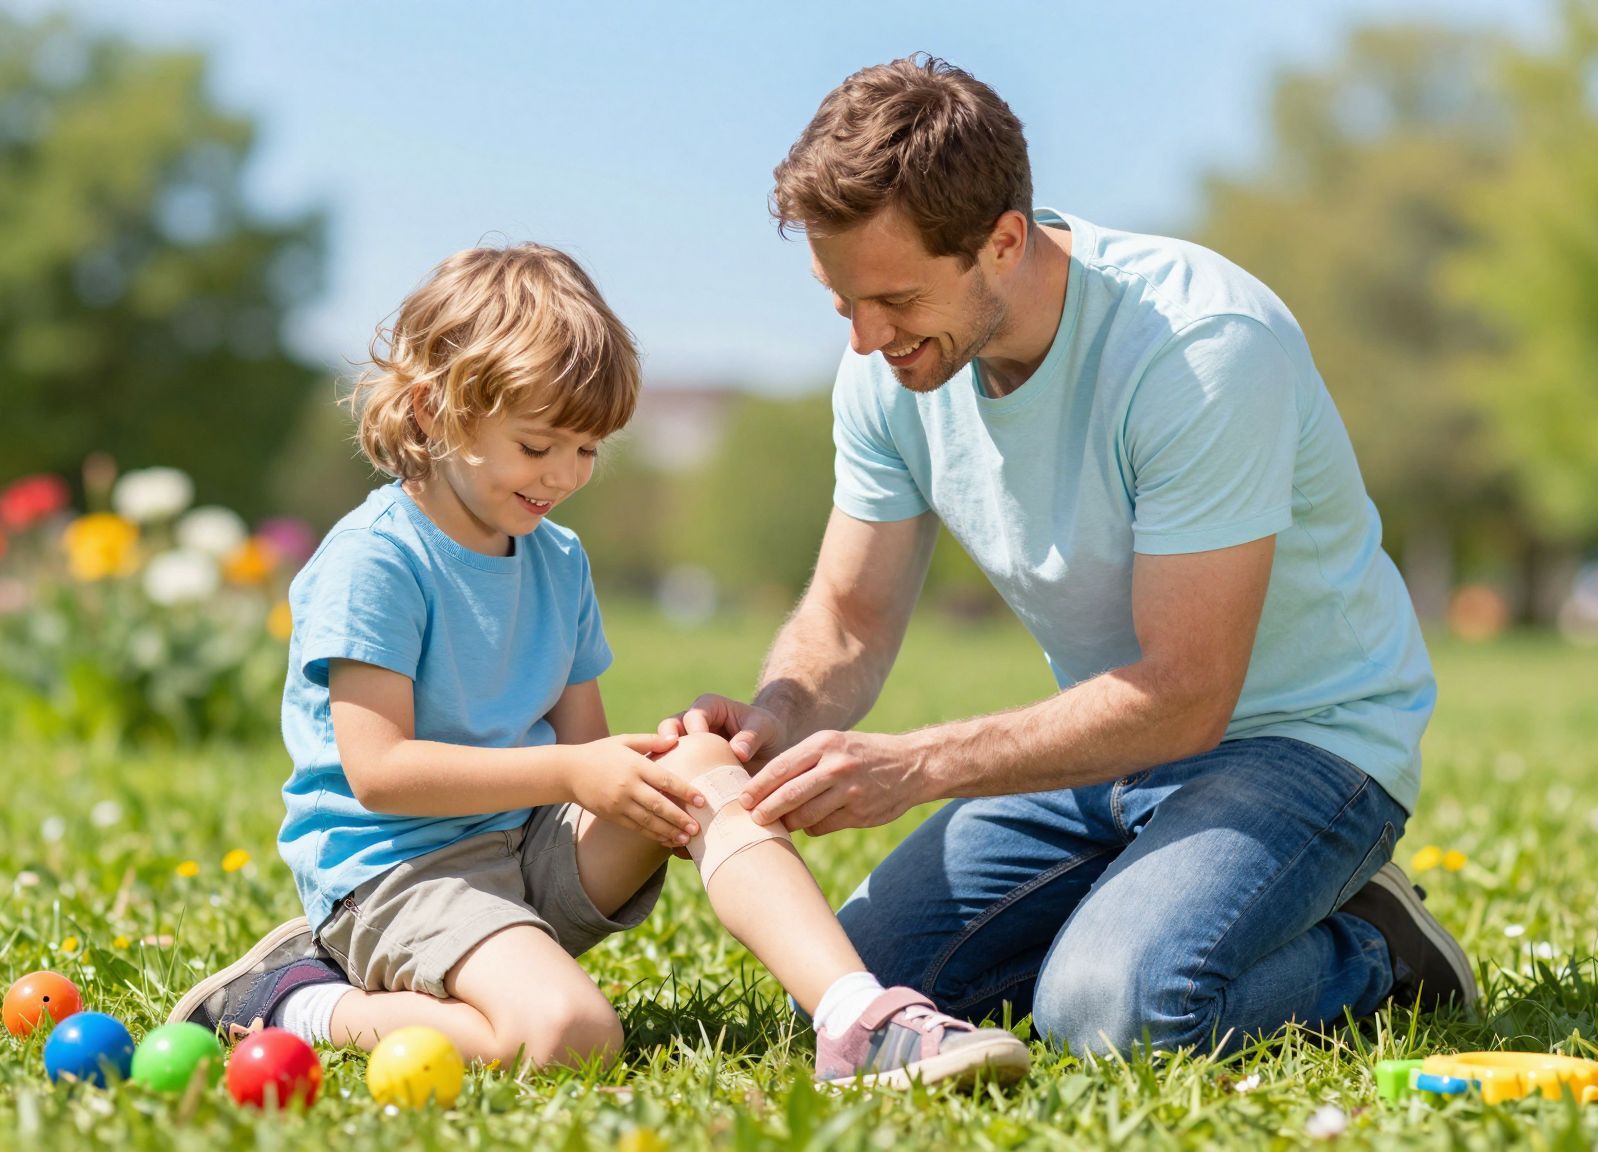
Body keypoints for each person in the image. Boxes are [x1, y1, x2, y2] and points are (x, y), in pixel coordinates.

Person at [668, 56, 1476, 1057]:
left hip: (1301, 746)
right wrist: (774, 717)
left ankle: (1375, 954)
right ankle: (1144, 898)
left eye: (894, 299)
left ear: (1003, 241)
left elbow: (1188, 691)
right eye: (843, 305)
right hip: (1100, 746)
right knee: (846, 985)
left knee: (1111, 1012)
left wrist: (918, 765)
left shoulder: (1196, 347)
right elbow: (846, 619)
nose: (869, 338)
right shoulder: (886, 371)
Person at [169, 243, 1028, 1088]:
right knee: (572, 1035)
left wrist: (669, 775)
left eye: (586, 449)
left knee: (699, 767)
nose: (566, 476)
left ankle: (856, 1019)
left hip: (524, 849)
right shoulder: (376, 561)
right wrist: (578, 771)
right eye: (538, 446)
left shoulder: (558, 558)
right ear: (435, 409)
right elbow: (381, 772)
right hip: (400, 876)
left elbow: (584, 752)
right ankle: (298, 1001)